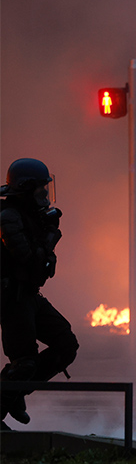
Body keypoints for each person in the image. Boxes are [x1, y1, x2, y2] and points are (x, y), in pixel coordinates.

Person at [1, 158, 80, 429]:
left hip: (29, 295)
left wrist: (48, 234)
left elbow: (42, 268)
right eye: (40, 191)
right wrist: (47, 239)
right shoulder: (8, 217)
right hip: (13, 299)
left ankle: (13, 392)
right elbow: (27, 259)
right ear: (26, 189)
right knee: (24, 364)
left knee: (66, 344)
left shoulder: (31, 216)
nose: (45, 196)